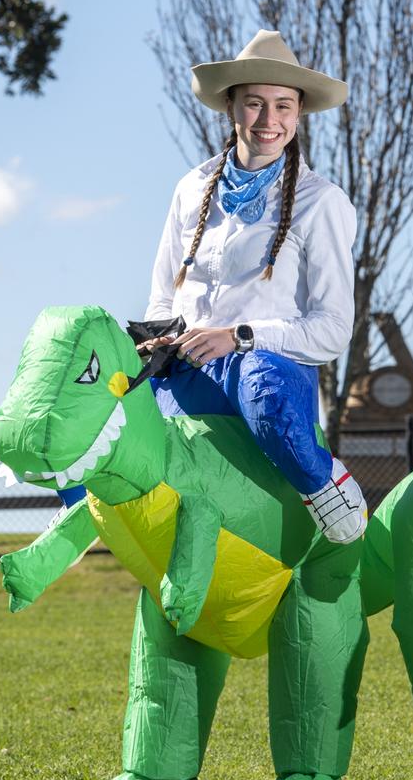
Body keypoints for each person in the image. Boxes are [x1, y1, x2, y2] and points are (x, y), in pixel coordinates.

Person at [141, 29, 367, 544]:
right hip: (188, 375)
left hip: (269, 381)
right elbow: (162, 294)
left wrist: (239, 336)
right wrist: (156, 338)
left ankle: (322, 482)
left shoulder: (322, 202)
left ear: (300, 112)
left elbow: (332, 331)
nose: (270, 121)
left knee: (258, 377)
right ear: (230, 106)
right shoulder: (191, 187)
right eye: (255, 104)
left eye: (284, 106)